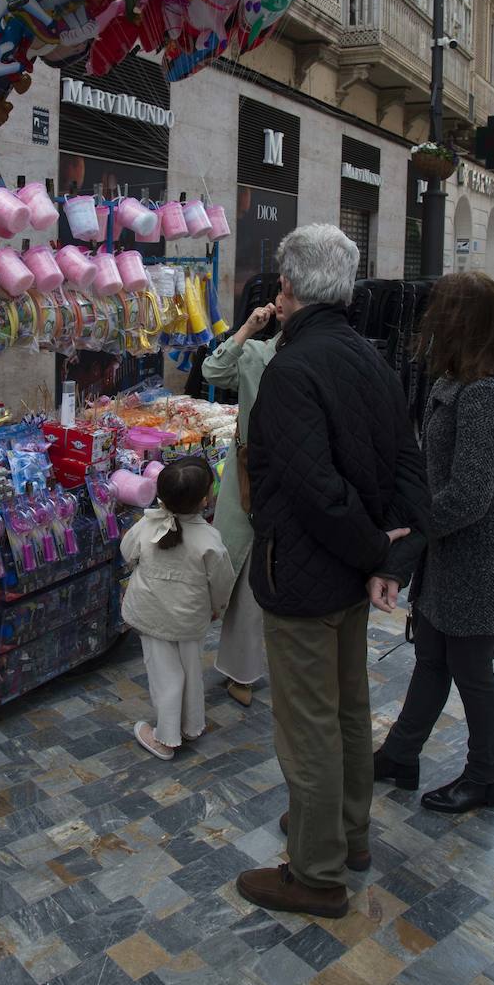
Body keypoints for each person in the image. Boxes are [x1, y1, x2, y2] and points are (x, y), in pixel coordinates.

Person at [235, 224, 430, 919]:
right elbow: (409, 469)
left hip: (306, 576)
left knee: (310, 725)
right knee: (347, 711)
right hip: (347, 576)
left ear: (287, 288)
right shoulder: (368, 358)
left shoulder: (293, 369)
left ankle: (315, 873)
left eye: (279, 285)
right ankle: (345, 835)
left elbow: (315, 491)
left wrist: (378, 553)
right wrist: (385, 559)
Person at [374, 272, 494, 814]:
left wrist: (409, 536)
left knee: (470, 669)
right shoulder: (475, 374)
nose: (430, 325)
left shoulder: (488, 390)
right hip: (459, 551)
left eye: (441, 315)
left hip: (482, 555)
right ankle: (400, 753)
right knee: (433, 654)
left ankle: (486, 777)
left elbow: (468, 496)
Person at [201, 288, 291, 706]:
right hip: (250, 478)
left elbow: (213, 370)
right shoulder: (256, 354)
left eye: (284, 293)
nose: (276, 300)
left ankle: (250, 666)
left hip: (275, 479)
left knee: (264, 574)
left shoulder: (283, 356)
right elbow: (213, 370)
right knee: (245, 571)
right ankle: (244, 667)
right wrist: (247, 329)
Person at [121, 457, 236, 760]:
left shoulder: (148, 524)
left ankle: (166, 738)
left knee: (165, 675)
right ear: (204, 500)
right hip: (190, 617)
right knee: (190, 670)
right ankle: (190, 725)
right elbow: (223, 582)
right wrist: (217, 608)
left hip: (151, 614)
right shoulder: (209, 539)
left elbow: (127, 552)